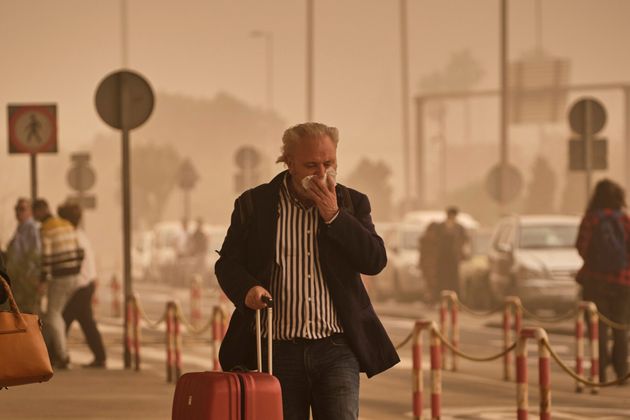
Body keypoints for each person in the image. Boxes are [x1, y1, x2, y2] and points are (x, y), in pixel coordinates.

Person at [215, 122, 399, 420]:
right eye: (311, 165)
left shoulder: (352, 203)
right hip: (278, 350)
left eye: (329, 163)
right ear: (288, 163)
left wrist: (334, 216)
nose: (322, 174)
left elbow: (374, 260)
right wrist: (247, 289)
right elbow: (228, 264)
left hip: (337, 347)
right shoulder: (254, 204)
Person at [575, 178, 630, 384]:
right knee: (621, 326)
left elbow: (581, 246)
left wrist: (595, 264)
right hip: (624, 282)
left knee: (598, 328)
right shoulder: (624, 219)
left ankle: (600, 372)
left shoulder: (591, 219)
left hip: (595, 282)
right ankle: (622, 373)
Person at [33, 198, 84, 369]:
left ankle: (63, 355)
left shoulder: (46, 229)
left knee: (53, 314)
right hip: (74, 275)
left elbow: (46, 257)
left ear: (40, 211)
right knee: (56, 315)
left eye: (35, 213)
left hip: (60, 275)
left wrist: (42, 280)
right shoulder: (65, 224)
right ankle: (50, 351)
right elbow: (79, 250)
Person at [58, 202, 107, 369]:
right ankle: (100, 357)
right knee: (86, 323)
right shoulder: (80, 235)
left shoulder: (74, 237)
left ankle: (58, 355)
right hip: (86, 284)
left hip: (80, 286)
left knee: (63, 321)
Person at [5, 198, 41, 313]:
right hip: (19, 279)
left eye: (22, 209)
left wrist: (29, 276)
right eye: (17, 209)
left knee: (29, 313)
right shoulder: (21, 228)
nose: (18, 212)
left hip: (26, 279)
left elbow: (36, 253)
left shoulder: (32, 228)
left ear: (30, 211)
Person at [435, 206, 470, 295]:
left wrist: (464, 252)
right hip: (442, 257)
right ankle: (442, 296)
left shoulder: (459, 228)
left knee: (454, 278)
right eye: (450, 215)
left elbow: (465, 240)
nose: (452, 217)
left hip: (454, 257)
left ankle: (454, 297)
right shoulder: (440, 227)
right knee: (443, 278)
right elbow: (436, 241)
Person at [419, 221, 440, 303]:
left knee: (429, 283)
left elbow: (422, 253)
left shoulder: (424, 239)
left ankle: (430, 299)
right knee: (432, 283)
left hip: (427, 264)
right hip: (432, 264)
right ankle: (431, 299)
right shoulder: (437, 239)